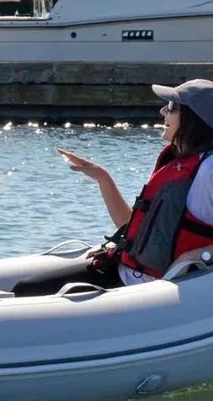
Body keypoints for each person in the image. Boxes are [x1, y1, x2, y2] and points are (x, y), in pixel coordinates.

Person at [58, 79, 213, 286]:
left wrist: (197, 256)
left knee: (28, 289)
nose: (162, 112)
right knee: (28, 286)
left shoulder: (209, 169)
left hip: (144, 292)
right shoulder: (182, 163)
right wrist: (104, 179)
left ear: (194, 119)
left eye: (171, 108)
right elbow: (131, 229)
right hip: (126, 272)